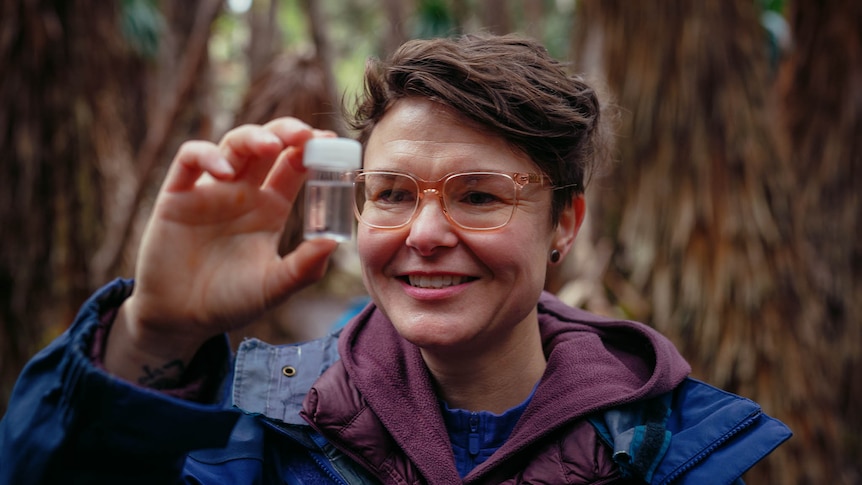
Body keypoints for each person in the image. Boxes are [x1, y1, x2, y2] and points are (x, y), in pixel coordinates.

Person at [0, 33, 790, 484]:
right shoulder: (266, 429)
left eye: (479, 195)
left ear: (565, 222)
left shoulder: (680, 447)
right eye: (392, 194)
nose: (424, 233)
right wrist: (157, 332)